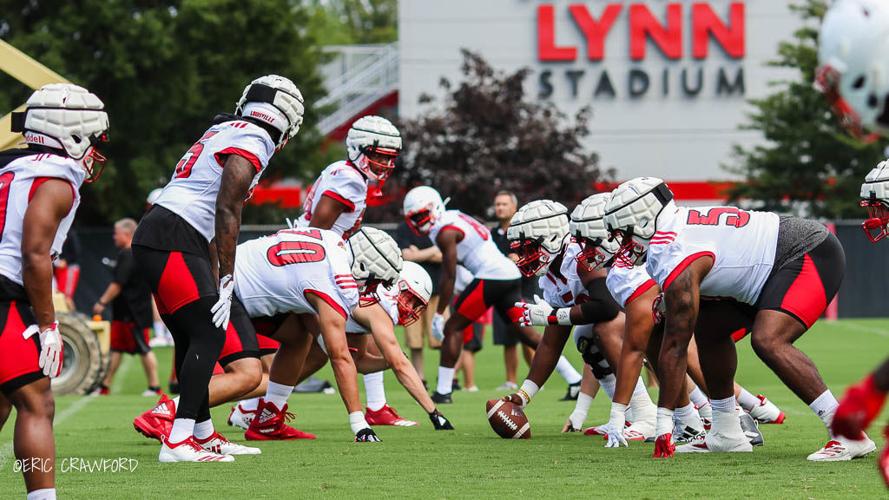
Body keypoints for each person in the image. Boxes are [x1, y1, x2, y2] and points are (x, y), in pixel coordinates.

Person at [603, 177, 876, 460]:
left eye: (623, 233)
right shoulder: (674, 228)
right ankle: (726, 432)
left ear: (644, 220)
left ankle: (848, 431)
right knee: (709, 327)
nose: (622, 243)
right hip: (766, 270)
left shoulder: (673, 250)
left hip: (806, 251)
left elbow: (675, 346)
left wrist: (663, 426)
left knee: (769, 339)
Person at [132, 74, 304, 463]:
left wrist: (217, 274)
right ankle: (177, 440)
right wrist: (227, 277)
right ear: (285, 122)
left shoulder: (225, 128)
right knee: (208, 332)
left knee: (192, 335)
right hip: (174, 235)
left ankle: (202, 433)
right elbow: (227, 208)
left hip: (168, 232)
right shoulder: (255, 138)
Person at [0, 83, 109, 500]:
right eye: (95, 137)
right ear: (74, 132)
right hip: (6, 293)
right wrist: (48, 325)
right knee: (37, 402)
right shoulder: (56, 179)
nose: (97, 148)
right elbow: (34, 253)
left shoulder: (13, 167)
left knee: (4, 401)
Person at [402, 186, 583, 403]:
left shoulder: (446, 230)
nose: (419, 222)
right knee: (525, 333)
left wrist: (440, 313)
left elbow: (448, 274)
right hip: (507, 274)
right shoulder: (454, 216)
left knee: (452, 327)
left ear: (435, 207)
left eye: (422, 215)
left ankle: (442, 392)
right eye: (415, 218)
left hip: (491, 276)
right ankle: (574, 379)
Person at [499, 199, 657, 441]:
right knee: (584, 335)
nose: (523, 257)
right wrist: (523, 395)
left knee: (608, 331)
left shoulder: (579, 254)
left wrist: (552, 315)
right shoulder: (553, 273)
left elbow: (605, 307)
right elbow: (551, 343)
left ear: (552, 238)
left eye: (529, 248)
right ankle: (631, 415)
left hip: (655, 300)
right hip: (634, 312)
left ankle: (649, 415)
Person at [92, 218, 160, 396]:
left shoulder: (129, 254)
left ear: (127, 234)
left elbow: (117, 284)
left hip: (134, 312)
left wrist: (101, 302)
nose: (114, 237)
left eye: (117, 233)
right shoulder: (133, 253)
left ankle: (154, 386)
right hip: (124, 313)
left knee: (144, 348)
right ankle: (105, 386)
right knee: (116, 348)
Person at [489, 190, 539, 393]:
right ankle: (510, 380)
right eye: (497, 204)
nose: (500, 207)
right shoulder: (492, 235)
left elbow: (536, 259)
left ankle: (535, 378)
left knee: (528, 337)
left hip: (523, 290)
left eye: (504, 204)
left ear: (514, 208)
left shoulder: (523, 233)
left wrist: (520, 261)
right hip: (500, 292)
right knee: (507, 340)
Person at [397, 219, 443, 384]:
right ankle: (419, 379)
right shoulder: (404, 228)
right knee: (414, 341)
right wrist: (432, 251)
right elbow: (405, 255)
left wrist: (418, 254)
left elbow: (444, 255)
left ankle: (446, 379)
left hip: (438, 291)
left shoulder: (439, 226)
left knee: (441, 338)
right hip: (413, 293)